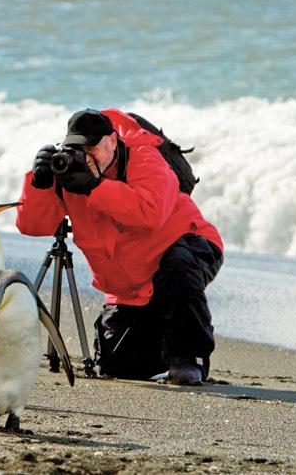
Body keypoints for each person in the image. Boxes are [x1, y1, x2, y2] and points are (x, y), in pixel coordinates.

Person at [16, 108, 223, 385]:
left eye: (93, 148)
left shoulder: (145, 157)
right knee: (115, 366)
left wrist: (95, 187)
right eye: (79, 148)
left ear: (112, 141)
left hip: (188, 244)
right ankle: (163, 343)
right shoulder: (68, 172)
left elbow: (148, 213)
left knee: (179, 266)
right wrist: (38, 185)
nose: (87, 156)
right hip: (130, 287)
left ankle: (189, 360)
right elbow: (31, 226)